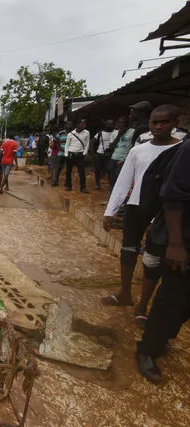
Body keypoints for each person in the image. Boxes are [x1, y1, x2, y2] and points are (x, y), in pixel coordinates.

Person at [102, 105, 183, 329]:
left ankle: (143, 306)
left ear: (174, 122)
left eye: (164, 122)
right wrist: (111, 211)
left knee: (152, 260)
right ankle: (125, 293)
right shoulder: (138, 151)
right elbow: (124, 181)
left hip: (163, 212)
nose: (158, 127)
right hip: (137, 207)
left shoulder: (181, 151)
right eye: (154, 123)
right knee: (128, 251)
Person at [135, 128, 190, 384]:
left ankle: (164, 336)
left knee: (185, 303)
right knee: (172, 296)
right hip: (183, 240)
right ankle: (147, 350)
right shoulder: (186, 151)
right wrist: (176, 242)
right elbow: (172, 195)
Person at [64, 119, 90, 193]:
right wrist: (66, 154)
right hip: (71, 154)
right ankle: (68, 186)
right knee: (68, 171)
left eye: (85, 124)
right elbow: (67, 145)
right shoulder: (70, 134)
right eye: (83, 124)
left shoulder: (87, 133)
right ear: (78, 125)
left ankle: (83, 187)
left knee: (82, 171)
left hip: (80, 154)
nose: (84, 125)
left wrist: (84, 153)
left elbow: (87, 143)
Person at [91, 120, 117, 191]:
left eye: (112, 124)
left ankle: (111, 184)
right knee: (98, 170)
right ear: (105, 125)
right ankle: (97, 184)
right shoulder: (100, 133)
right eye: (108, 124)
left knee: (110, 170)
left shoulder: (116, 133)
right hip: (100, 154)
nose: (110, 125)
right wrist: (93, 154)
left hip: (111, 155)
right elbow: (92, 142)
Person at [109, 116, 133, 188]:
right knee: (112, 181)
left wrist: (125, 159)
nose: (122, 124)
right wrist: (119, 135)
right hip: (114, 158)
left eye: (124, 123)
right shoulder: (114, 133)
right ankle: (112, 198)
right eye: (120, 122)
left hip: (125, 160)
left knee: (124, 182)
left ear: (128, 123)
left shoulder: (133, 132)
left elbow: (134, 147)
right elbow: (111, 147)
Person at [51, 121, 73, 187]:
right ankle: (55, 182)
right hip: (61, 153)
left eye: (71, 124)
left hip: (69, 153)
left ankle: (67, 183)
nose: (69, 125)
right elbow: (55, 140)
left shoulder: (73, 133)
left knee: (68, 169)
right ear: (65, 125)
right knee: (58, 168)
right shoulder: (61, 133)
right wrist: (59, 147)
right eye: (68, 124)